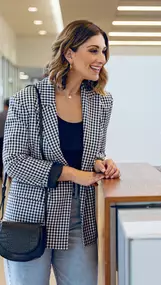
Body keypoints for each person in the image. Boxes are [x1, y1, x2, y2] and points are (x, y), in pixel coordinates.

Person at [2, 20, 120, 285]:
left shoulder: (102, 102)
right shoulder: (27, 99)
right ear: (69, 53)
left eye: (103, 51)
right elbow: (14, 162)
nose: (101, 58)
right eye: (93, 50)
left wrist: (102, 163)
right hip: (30, 219)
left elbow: (94, 153)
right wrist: (72, 174)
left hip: (79, 218)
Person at [0, 99, 9, 179]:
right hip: (9, 140)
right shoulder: (13, 114)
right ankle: (8, 175)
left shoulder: (0, 114)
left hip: (0, 139)